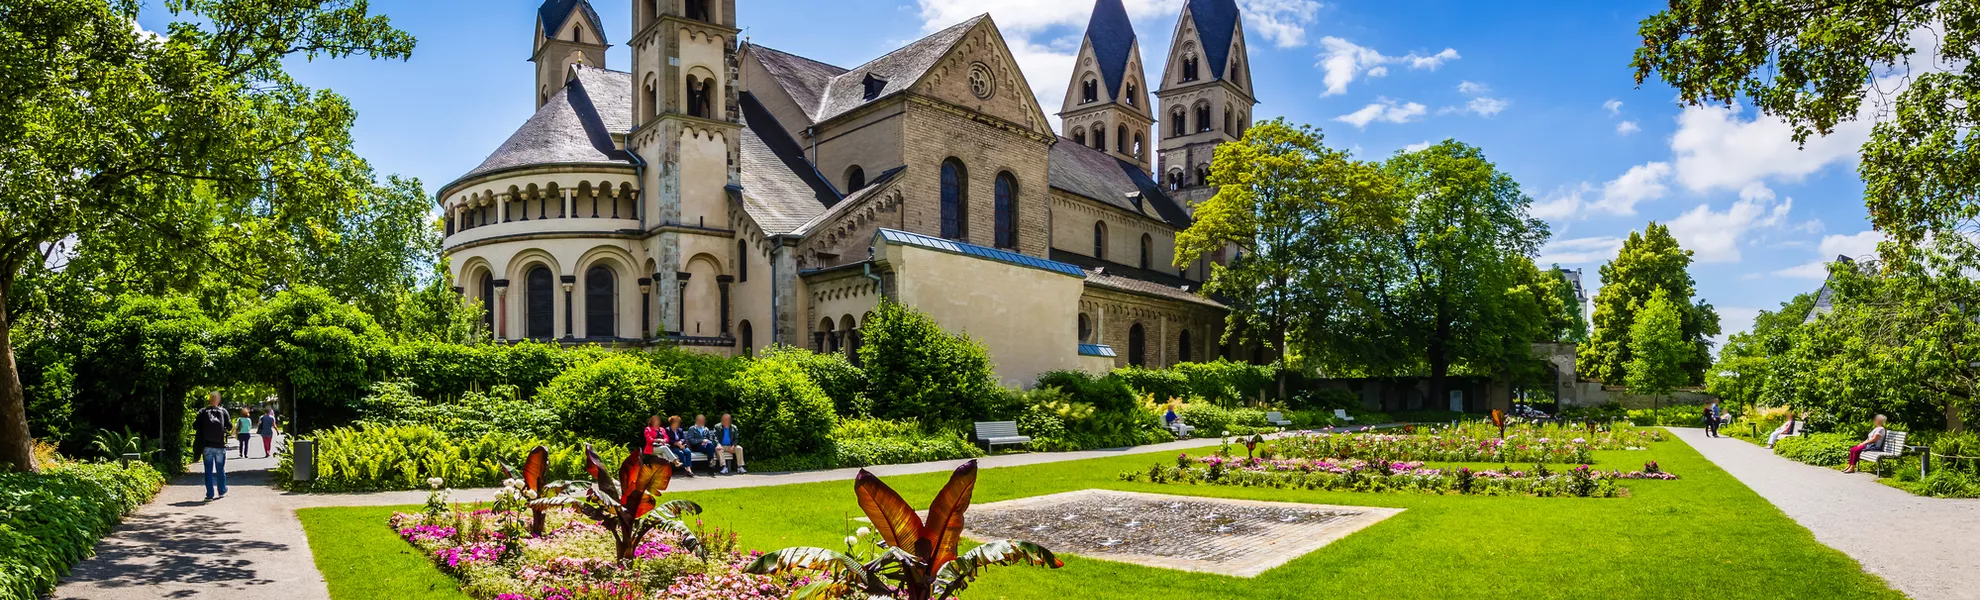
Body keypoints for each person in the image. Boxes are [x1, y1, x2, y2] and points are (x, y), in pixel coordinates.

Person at [193, 392, 232, 500]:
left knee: (208, 471)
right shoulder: (223, 411)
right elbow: (229, 426)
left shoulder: (203, 411)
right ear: (218, 400)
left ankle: (210, 494)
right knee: (220, 470)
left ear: (209, 399)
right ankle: (222, 491)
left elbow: (195, 426)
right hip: (220, 445)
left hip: (207, 446)